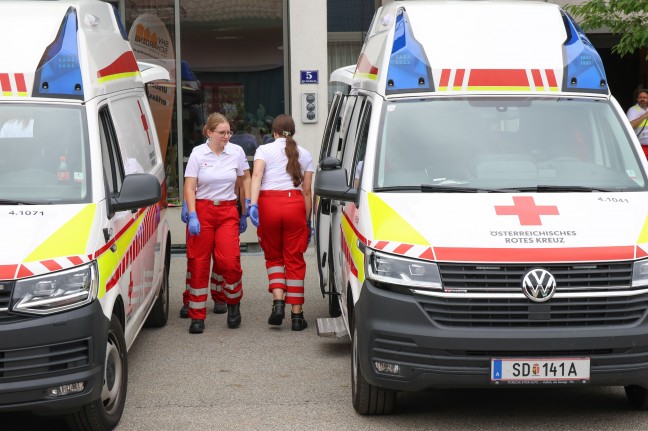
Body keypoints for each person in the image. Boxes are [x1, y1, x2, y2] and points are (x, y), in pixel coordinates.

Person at [183, 112, 250, 334]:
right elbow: (190, 186)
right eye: (222, 132)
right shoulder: (197, 154)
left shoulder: (236, 152)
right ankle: (197, 315)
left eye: (229, 132)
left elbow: (241, 182)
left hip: (227, 210)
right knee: (199, 263)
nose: (227, 136)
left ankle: (233, 303)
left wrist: (244, 209)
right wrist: (192, 213)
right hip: (202, 210)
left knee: (229, 262)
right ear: (209, 132)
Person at [248, 114, 314, 331]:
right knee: (294, 259)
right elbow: (306, 191)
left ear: (273, 132)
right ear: (293, 132)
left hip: (268, 205)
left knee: (274, 255)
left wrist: (253, 204)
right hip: (294, 205)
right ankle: (297, 316)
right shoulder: (305, 154)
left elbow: (256, 177)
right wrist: (307, 220)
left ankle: (278, 302)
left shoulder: (264, 150)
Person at [627, 89, 648, 157]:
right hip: (639, 147)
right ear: (637, 99)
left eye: (644, 97)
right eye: (640, 97)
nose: (642, 99)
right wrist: (644, 116)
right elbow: (630, 125)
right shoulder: (633, 110)